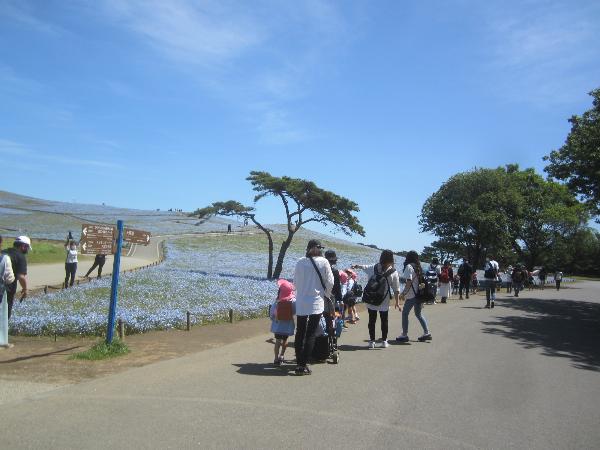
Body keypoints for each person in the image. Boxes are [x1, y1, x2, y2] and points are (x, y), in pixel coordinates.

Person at [293, 239, 334, 375]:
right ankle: (302, 364)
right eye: (319, 248)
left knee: (300, 332)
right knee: (310, 333)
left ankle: (300, 362)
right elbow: (330, 282)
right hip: (316, 302)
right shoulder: (324, 262)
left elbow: (296, 282)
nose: (320, 250)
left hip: (301, 301)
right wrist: (326, 294)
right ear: (315, 249)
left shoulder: (300, 262)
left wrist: (302, 292)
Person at [353, 250, 400, 349]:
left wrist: (357, 266)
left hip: (372, 298)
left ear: (381, 257)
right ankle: (384, 341)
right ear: (391, 259)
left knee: (372, 320)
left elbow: (364, 267)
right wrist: (397, 302)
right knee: (384, 321)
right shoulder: (393, 272)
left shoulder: (374, 267)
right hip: (384, 300)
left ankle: (372, 341)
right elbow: (396, 289)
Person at [395, 250, 431, 342]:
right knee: (418, 314)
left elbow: (409, 282)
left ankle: (404, 334)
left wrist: (403, 293)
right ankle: (426, 332)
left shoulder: (409, 266)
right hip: (419, 294)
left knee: (405, 313)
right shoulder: (418, 267)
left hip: (412, 295)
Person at [1, 236, 31, 319]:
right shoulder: (20, 257)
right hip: (7, 289)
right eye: (27, 247)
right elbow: (21, 277)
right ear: (23, 246)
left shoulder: (3, 252)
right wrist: (25, 289)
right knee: (5, 314)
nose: (27, 250)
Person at [269, 279, 296, 366]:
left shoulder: (277, 301)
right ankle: (282, 356)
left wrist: (273, 318)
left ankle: (276, 358)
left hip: (278, 325)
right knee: (285, 341)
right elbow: (295, 311)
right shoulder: (293, 301)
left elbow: (272, 314)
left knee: (277, 341)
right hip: (287, 325)